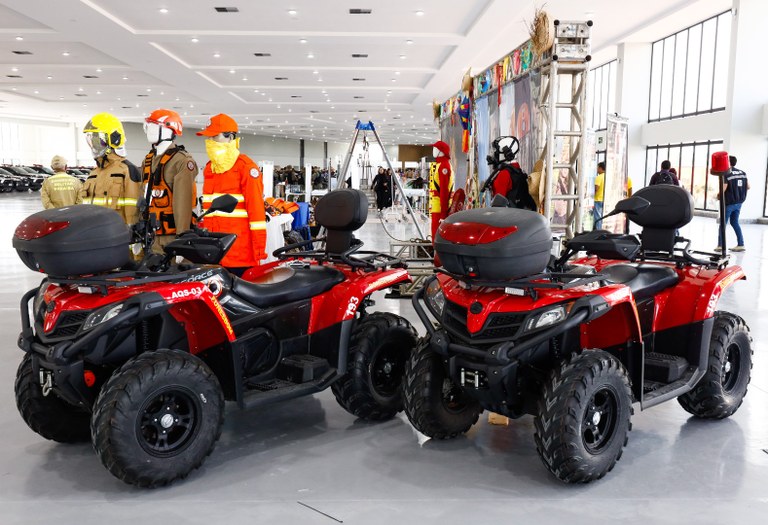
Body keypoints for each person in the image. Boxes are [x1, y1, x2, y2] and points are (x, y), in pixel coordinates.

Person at [197, 113, 267, 276]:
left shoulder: (246, 167)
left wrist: (259, 250)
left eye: (215, 136)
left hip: (240, 252)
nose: (210, 141)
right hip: (214, 251)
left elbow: (257, 213)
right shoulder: (210, 168)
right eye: (209, 137)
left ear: (230, 137)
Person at [141, 109, 198, 253]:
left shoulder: (181, 161)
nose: (148, 130)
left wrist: (183, 241)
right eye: (148, 126)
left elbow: (183, 204)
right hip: (150, 236)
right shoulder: (148, 160)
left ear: (168, 129)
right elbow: (142, 198)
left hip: (172, 239)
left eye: (153, 126)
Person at [80, 112, 141, 225]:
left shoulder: (127, 170)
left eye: (98, 139)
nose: (94, 144)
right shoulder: (93, 174)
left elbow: (133, 209)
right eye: (92, 139)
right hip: (92, 231)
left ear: (114, 139)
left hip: (116, 232)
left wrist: (130, 231)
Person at [716, 155, 750, 252]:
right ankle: (741, 244)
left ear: (728, 163)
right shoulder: (743, 173)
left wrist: (718, 195)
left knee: (723, 224)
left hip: (729, 203)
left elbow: (724, 188)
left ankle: (720, 245)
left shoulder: (727, 174)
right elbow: (748, 186)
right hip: (739, 202)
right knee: (735, 222)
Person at [593, 162, 632, 229]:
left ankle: (598, 231)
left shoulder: (599, 177)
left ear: (600, 168)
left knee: (598, 217)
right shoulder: (610, 178)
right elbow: (630, 191)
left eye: (597, 168)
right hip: (608, 200)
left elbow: (596, 188)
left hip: (598, 199)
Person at [430, 140, 453, 239]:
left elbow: (444, 191)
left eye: (435, 149)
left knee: (437, 238)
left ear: (441, 151)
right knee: (435, 236)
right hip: (437, 206)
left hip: (439, 208)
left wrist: (443, 214)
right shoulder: (440, 164)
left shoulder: (444, 166)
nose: (433, 150)